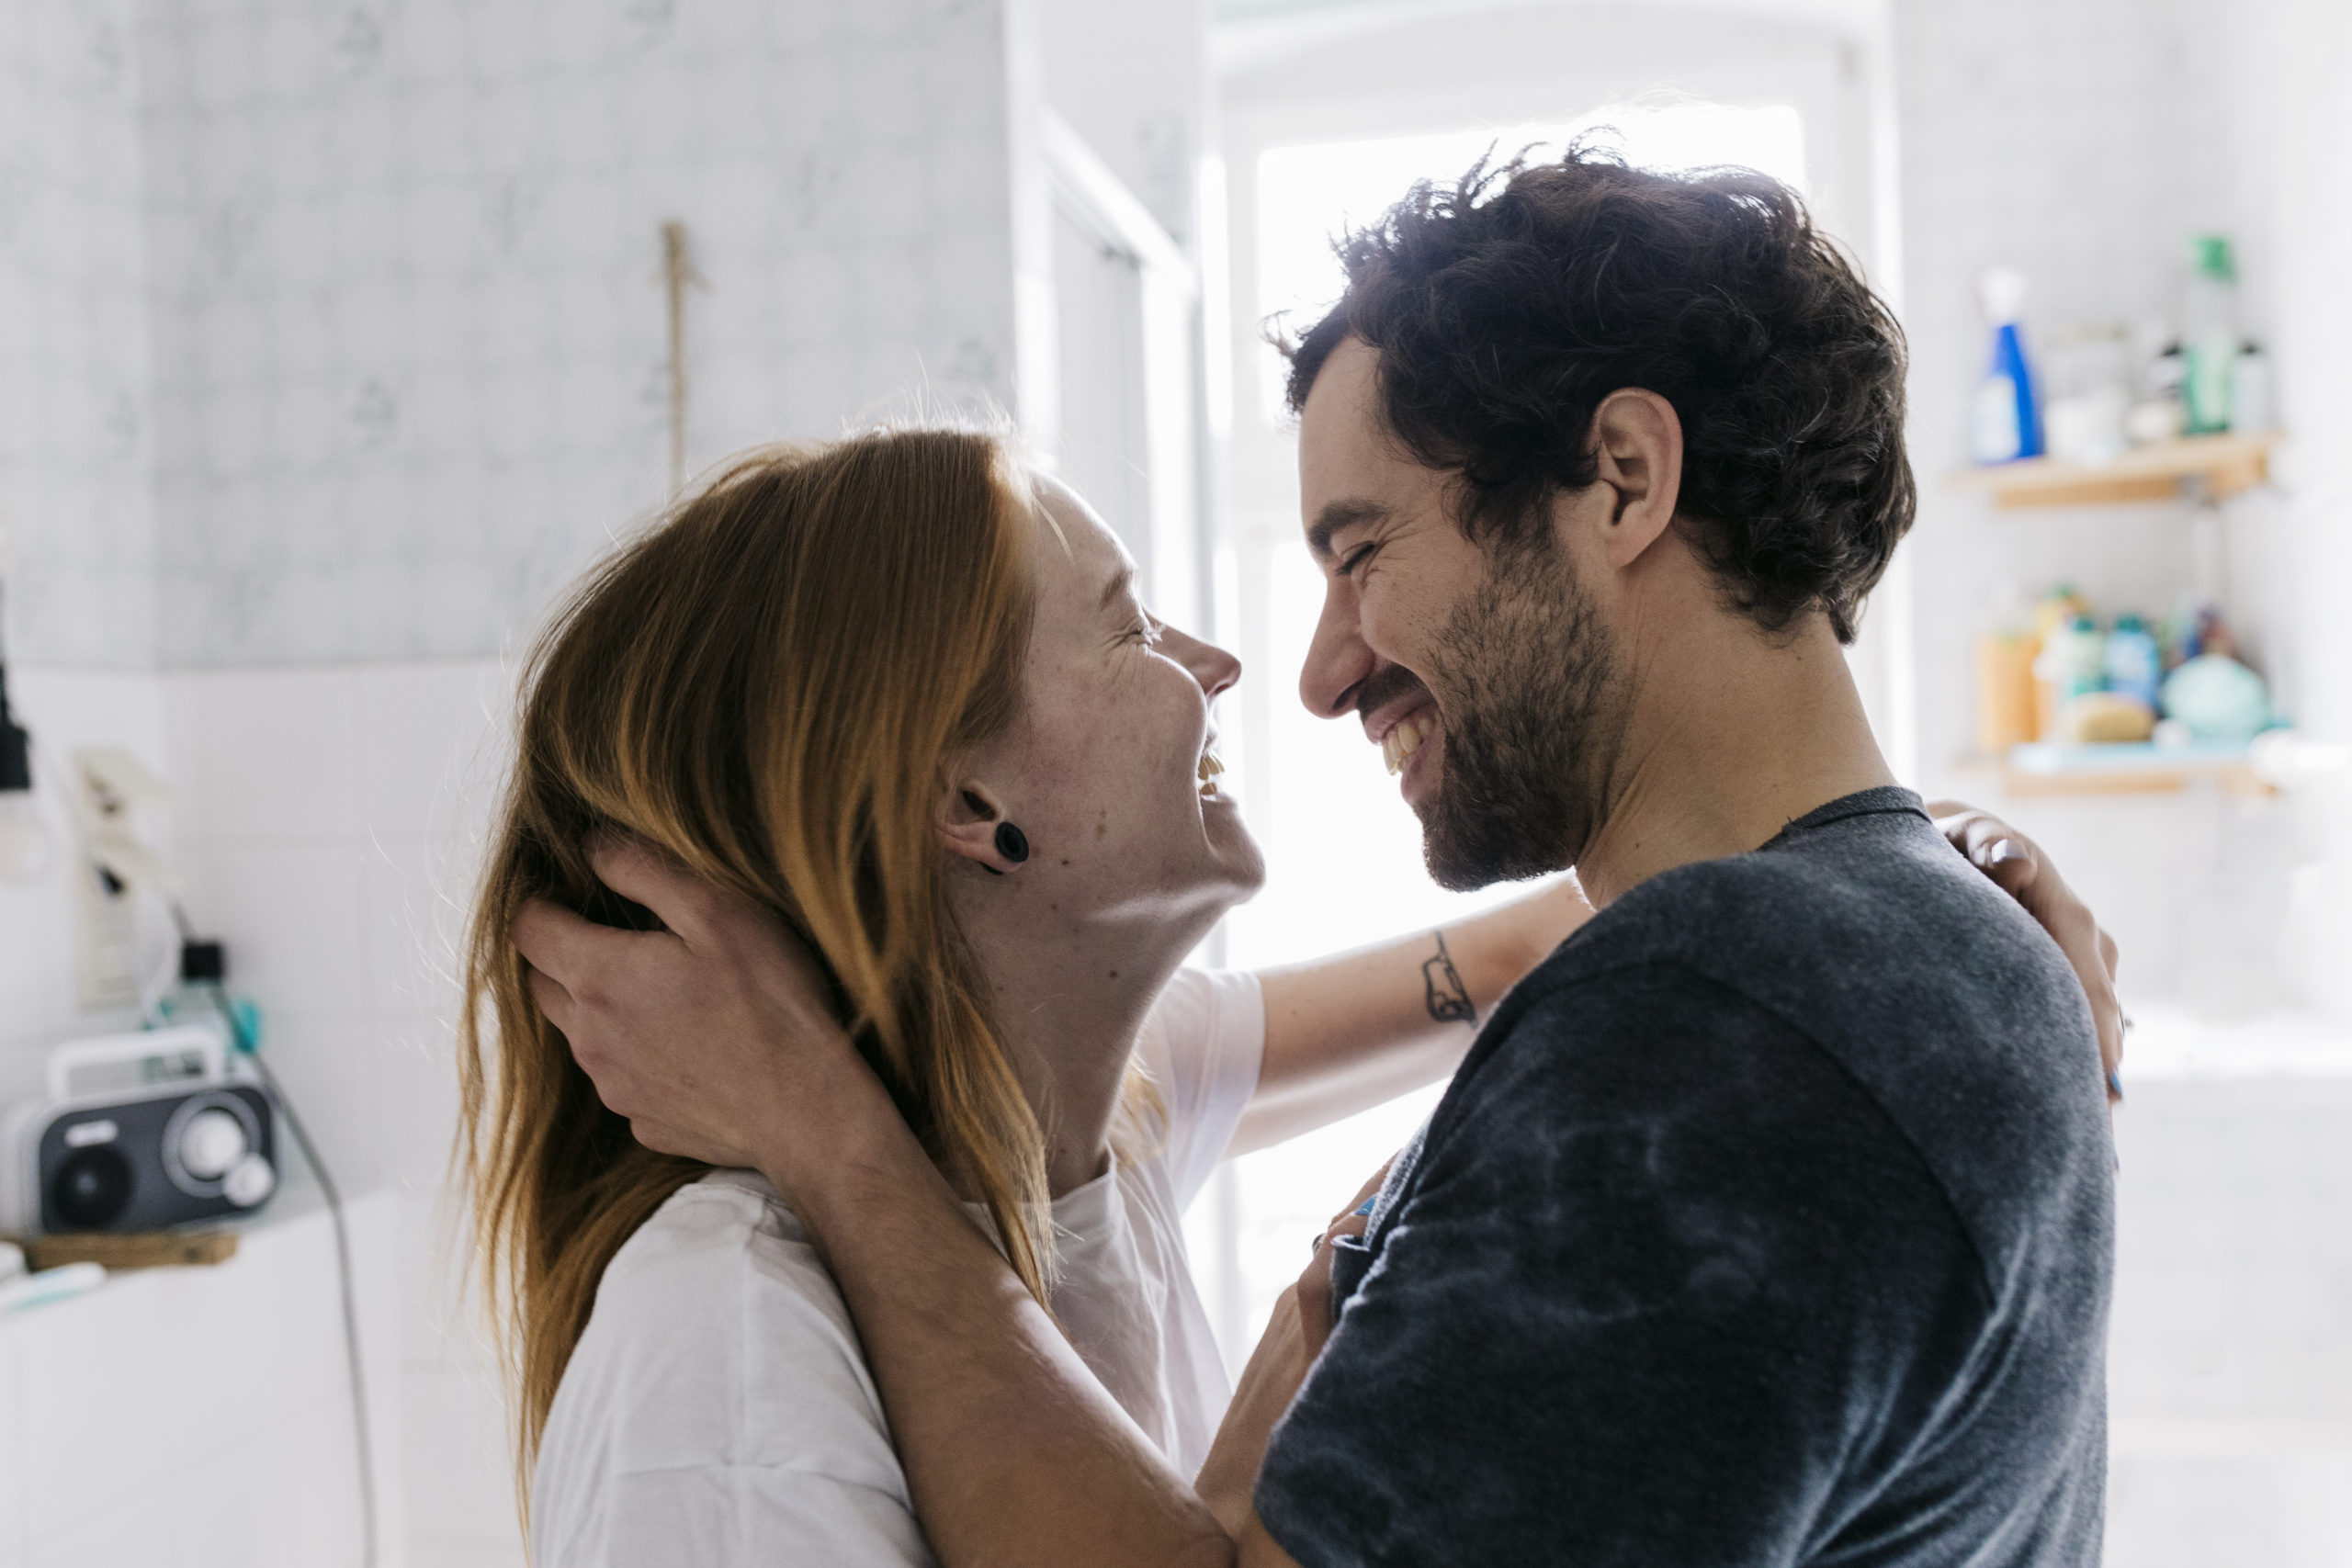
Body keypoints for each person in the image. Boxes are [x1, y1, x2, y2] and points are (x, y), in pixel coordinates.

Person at [526, 147, 2120, 1568]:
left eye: (1362, 551)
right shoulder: (1846, 960)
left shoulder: (1733, 1016)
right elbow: (1507, 966)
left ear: (1624, 480)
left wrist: (830, 1136)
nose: (1312, 670)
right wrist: (1948, 853)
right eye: (1130, 628)